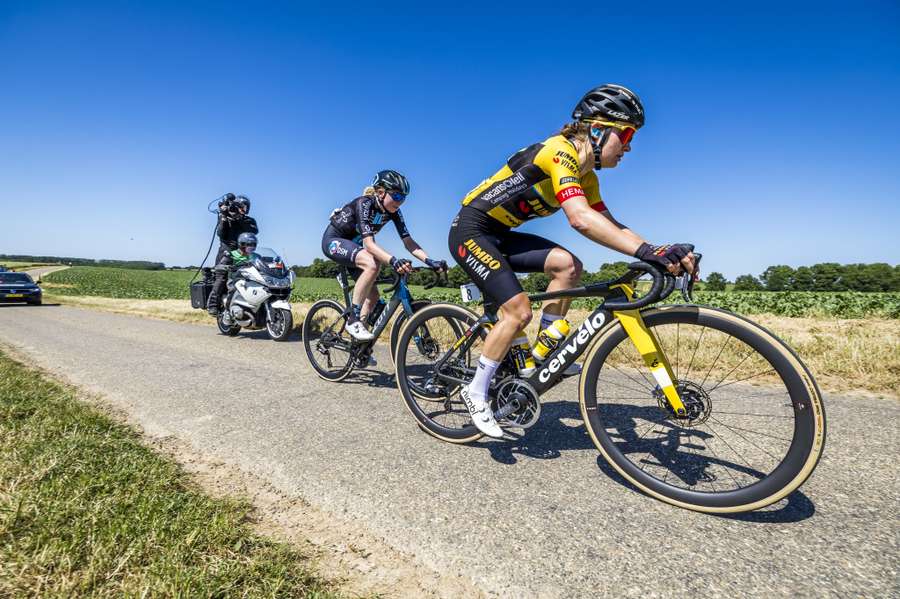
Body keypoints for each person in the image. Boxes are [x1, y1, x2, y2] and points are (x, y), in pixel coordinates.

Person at [448, 84, 696, 438]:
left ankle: (543, 352)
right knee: (518, 312)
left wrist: (657, 250)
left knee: (568, 265)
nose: (629, 146)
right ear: (596, 129)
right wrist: (645, 253)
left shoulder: (586, 177)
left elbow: (611, 225)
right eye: (625, 134)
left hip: (502, 234)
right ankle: (475, 392)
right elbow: (579, 218)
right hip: (472, 229)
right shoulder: (558, 151)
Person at [322, 170, 447, 341]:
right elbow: (369, 244)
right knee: (373, 263)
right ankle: (353, 319)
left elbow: (409, 242)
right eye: (396, 196)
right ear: (381, 193)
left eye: (404, 198)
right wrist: (393, 261)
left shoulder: (394, 212)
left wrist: (429, 260)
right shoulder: (364, 204)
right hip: (335, 241)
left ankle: (359, 346)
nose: (400, 201)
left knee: (373, 297)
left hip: (355, 249)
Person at [207, 194, 258, 315]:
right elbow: (221, 234)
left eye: (244, 207)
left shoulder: (248, 220)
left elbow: (254, 231)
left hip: (244, 253)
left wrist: (238, 218)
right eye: (239, 206)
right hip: (227, 253)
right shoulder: (226, 218)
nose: (241, 209)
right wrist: (224, 216)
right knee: (222, 276)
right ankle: (212, 304)